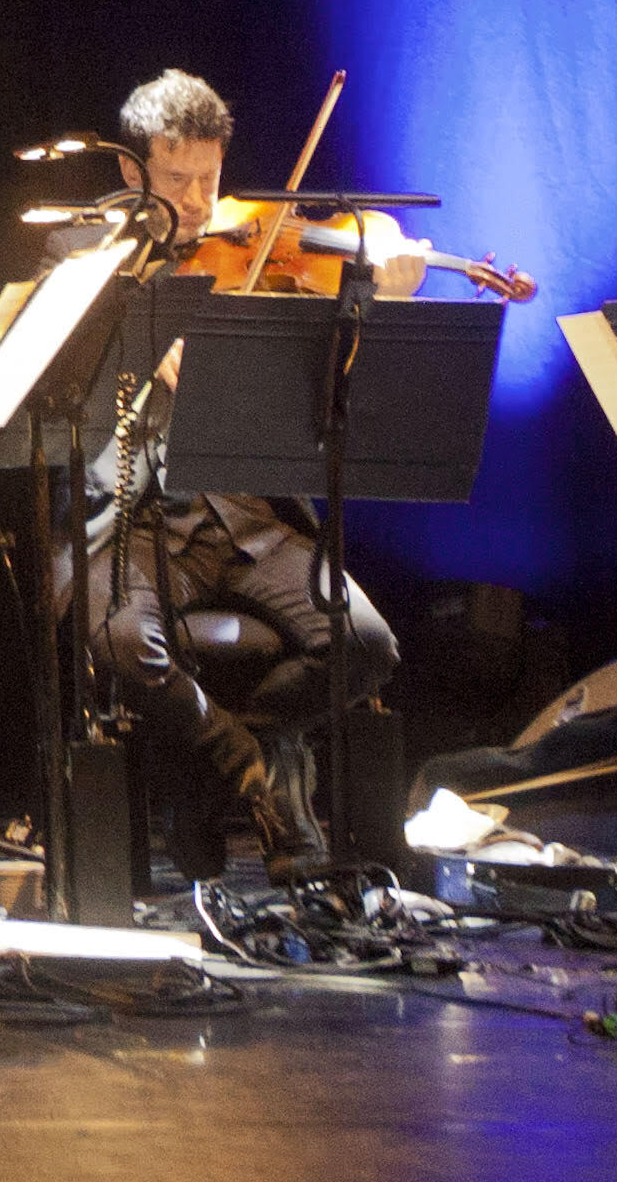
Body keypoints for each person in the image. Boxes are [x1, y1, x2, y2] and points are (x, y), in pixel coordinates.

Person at [75, 69, 407, 866]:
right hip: (132, 515)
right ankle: (246, 763)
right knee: (121, 642)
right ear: (132, 171)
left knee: (366, 645)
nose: (197, 201)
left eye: (210, 180)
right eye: (176, 178)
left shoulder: (253, 241)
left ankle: (262, 742)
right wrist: (142, 351)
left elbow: (351, 296)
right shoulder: (81, 254)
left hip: (251, 513)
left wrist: (387, 277)